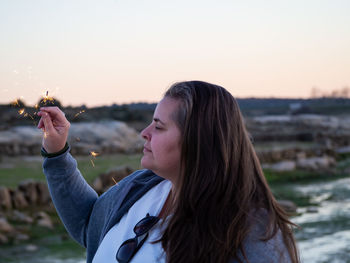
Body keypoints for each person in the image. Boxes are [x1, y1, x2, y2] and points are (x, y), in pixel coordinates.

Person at [38, 81, 300, 263]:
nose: (144, 133)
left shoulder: (251, 234)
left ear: (198, 140)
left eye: (159, 127)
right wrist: (57, 153)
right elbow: (89, 225)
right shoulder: (142, 187)